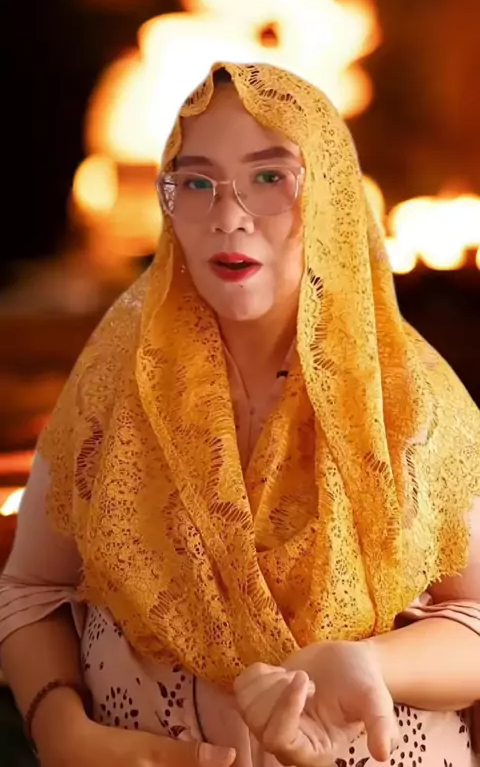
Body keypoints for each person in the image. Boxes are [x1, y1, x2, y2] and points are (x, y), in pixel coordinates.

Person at [0, 62, 479, 767]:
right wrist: (61, 730)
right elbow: (32, 587)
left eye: (270, 178)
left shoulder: (407, 400)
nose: (228, 217)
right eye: (196, 184)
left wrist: (371, 664)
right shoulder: (117, 379)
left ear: (330, 197)